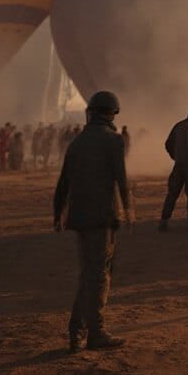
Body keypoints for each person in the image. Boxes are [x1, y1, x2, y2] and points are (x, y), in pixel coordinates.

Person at [53, 91, 130, 352]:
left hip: (80, 217)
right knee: (99, 275)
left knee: (89, 273)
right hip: (103, 216)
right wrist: (128, 208)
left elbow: (63, 182)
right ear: (111, 114)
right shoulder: (114, 140)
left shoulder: (77, 142)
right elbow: (121, 177)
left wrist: (57, 213)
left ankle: (77, 332)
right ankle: (95, 332)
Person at [159, 104, 188, 231]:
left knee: (172, 193)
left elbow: (168, 144)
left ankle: (164, 221)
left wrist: (175, 156)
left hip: (179, 164)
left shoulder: (178, 126)